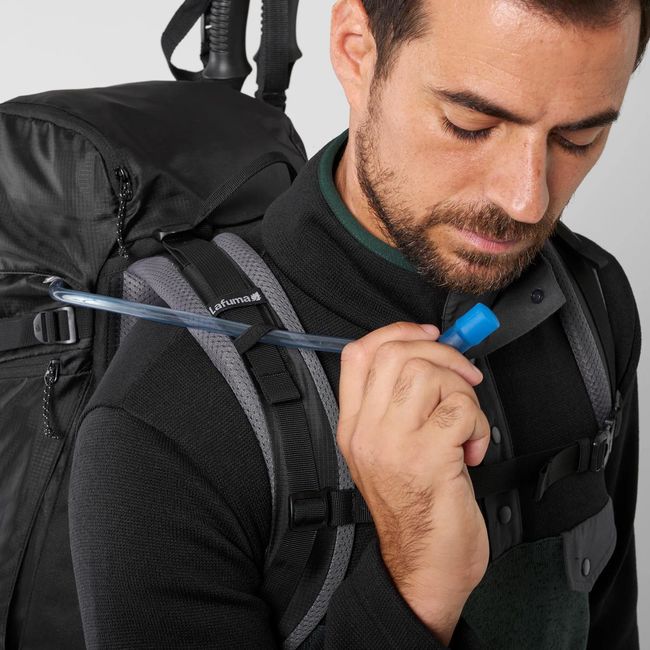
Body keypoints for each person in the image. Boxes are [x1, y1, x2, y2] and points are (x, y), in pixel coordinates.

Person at [69, 0, 646, 647]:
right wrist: (413, 588)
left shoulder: (592, 301)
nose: (526, 200)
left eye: (578, 139)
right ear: (356, 51)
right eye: (471, 125)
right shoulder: (164, 416)